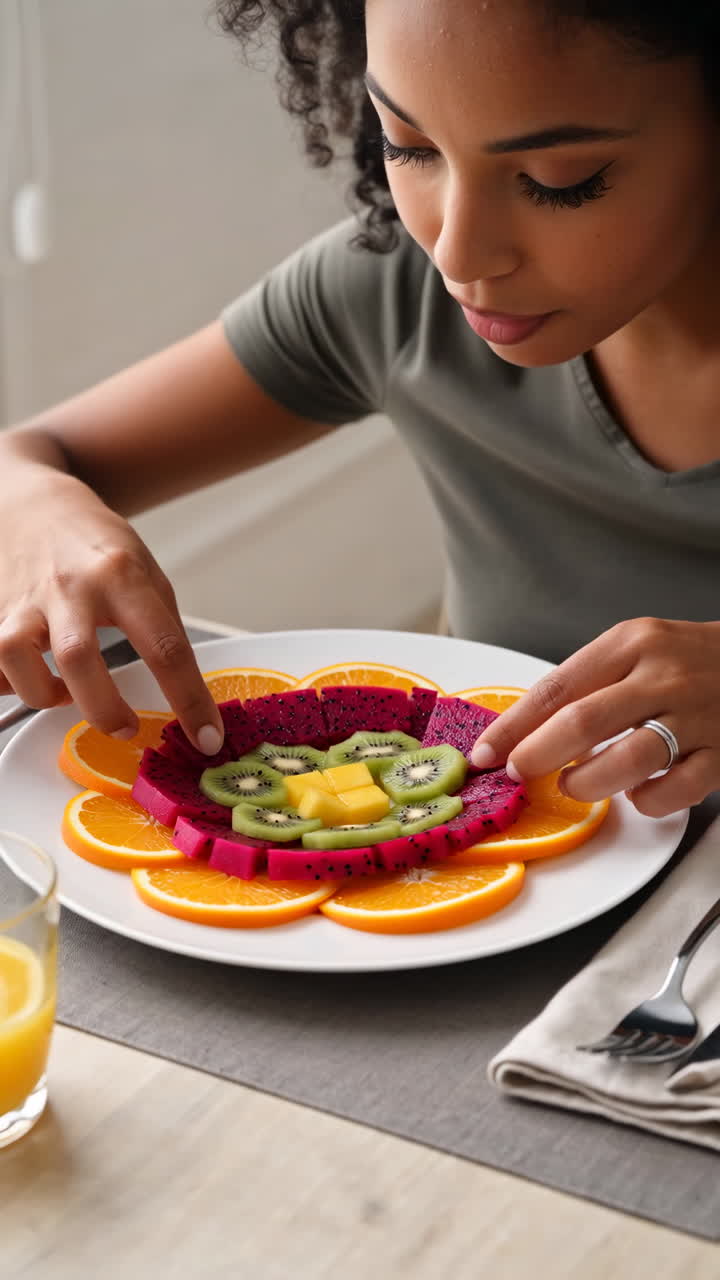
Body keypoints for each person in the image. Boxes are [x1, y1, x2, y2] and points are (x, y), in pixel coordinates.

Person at [1, 0, 719, 819]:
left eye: (559, 181)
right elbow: (23, 458)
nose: (456, 252)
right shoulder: (395, 292)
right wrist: (42, 517)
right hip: (473, 912)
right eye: (407, 146)